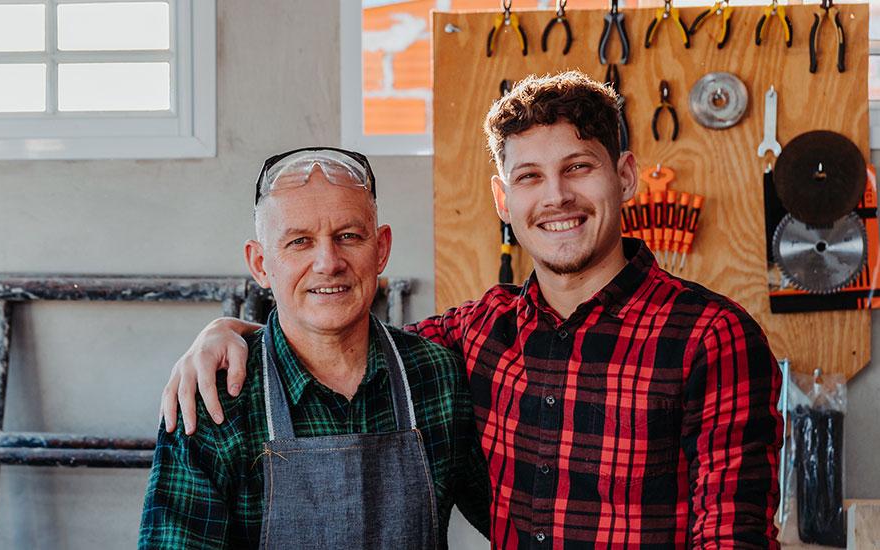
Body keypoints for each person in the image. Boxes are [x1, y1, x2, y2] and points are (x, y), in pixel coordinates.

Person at [160, 72, 783, 548]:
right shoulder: (478, 335)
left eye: (578, 168)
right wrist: (232, 331)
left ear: (625, 176)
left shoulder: (709, 336)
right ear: (502, 199)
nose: (556, 196)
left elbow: (734, 534)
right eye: (530, 177)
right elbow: (339, 338)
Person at [139, 147, 491, 549]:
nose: (328, 262)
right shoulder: (213, 400)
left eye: (348, 236)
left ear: (381, 249)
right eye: (299, 242)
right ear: (260, 264)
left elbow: (520, 524)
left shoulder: (438, 377)